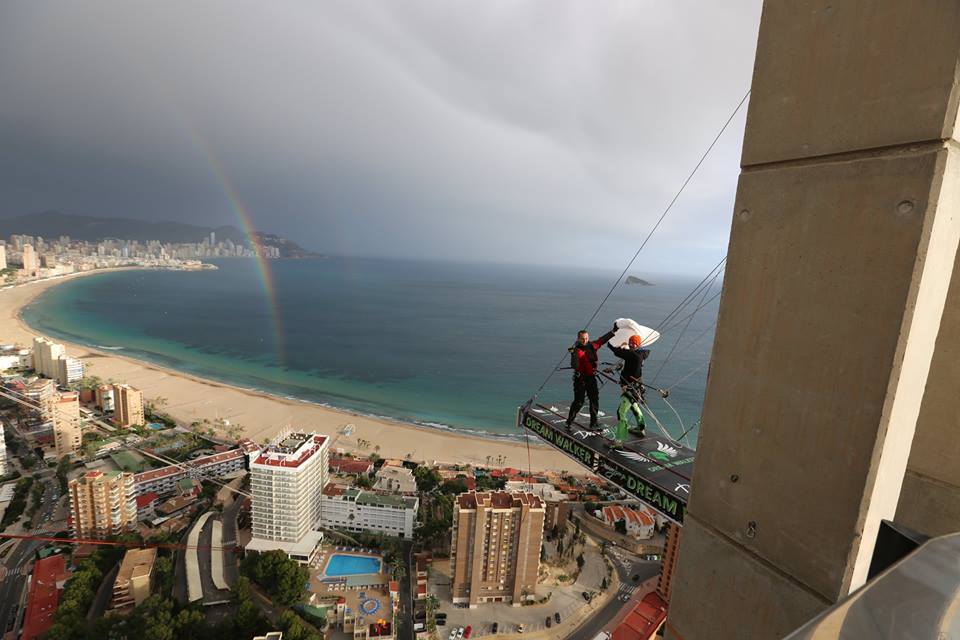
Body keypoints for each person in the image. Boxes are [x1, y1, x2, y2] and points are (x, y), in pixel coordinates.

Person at [566, 324, 616, 430]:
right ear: (578, 339)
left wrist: (613, 331)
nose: (584, 340)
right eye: (582, 339)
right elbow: (574, 365)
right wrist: (573, 355)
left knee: (594, 399)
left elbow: (602, 340)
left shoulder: (592, 346)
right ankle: (569, 422)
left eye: (586, 338)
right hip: (580, 379)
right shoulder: (576, 350)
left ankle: (593, 423)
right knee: (579, 402)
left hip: (591, 378)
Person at [608, 334, 650, 444]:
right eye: (630, 342)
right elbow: (636, 352)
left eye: (634, 343)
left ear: (638, 344)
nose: (631, 345)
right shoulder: (642, 354)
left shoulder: (633, 355)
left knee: (621, 412)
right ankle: (641, 428)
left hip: (631, 388)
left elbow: (615, 351)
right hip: (636, 388)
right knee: (634, 406)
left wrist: (614, 343)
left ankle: (619, 441)